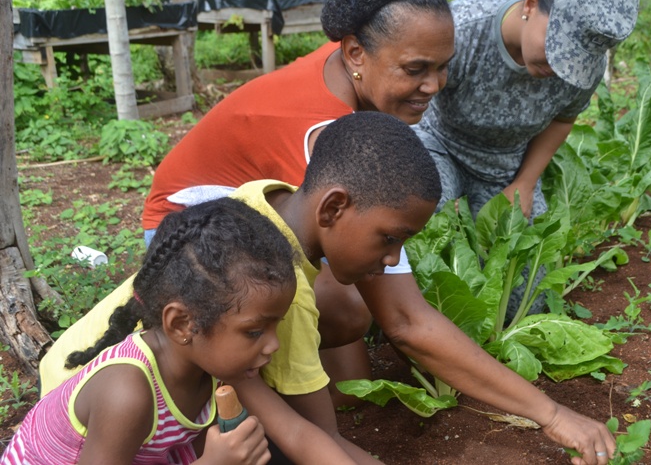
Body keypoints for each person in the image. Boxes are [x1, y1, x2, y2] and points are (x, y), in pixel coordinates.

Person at [41, 113, 616, 465]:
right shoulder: (263, 293)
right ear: (335, 205)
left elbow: (303, 430)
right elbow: (316, 439)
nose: (393, 261)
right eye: (389, 239)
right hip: (97, 420)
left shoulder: (266, 216)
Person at [3, 198, 355, 464]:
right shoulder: (127, 394)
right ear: (183, 324)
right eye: (254, 331)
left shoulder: (221, 365)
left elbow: (295, 432)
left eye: (275, 326)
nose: (273, 345)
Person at [141, 0, 454, 239]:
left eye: (443, 66)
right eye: (414, 70)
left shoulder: (346, 59)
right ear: (355, 52)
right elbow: (349, 272)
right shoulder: (325, 136)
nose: (434, 85)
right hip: (185, 226)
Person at [412, 0, 640, 318]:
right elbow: (407, 96)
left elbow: (563, 119)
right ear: (530, 4)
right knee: (419, 216)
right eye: (557, 48)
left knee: (527, 298)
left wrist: (527, 182)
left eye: (573, 62)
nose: (559, 67)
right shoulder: (462, 30)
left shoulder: (585, 70)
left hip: (505, 163)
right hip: (437, 142)